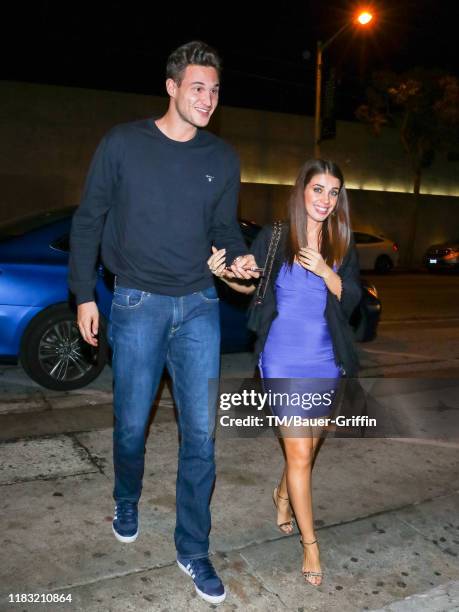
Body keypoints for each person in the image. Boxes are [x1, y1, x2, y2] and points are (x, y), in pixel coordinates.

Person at [68, 40, 258, 605]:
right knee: (131, 427)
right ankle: (127, 496)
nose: (208, 98)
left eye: (216, 89)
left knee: (202, 435)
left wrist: (239, 262)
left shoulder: (221, 159)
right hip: (135, 306)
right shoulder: (123, 144)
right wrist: (84, 294)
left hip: (199, 307)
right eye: (198, 87)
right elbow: (88, 221)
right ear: (171, 87)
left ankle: (193, 549)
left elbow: (225, 231)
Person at [207, 158, 361, 587]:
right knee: (298, 454)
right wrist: (228, 275)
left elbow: (351, 304)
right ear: (302, 191)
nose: (325, 200)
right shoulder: (275, 236)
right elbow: (248, 287)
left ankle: (282, 494)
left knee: (307, 450)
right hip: (280, 358)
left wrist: (327, 270)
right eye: (318, 190)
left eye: (333, 192)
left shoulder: (343, 243)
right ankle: (310, 544)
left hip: (326, 359)